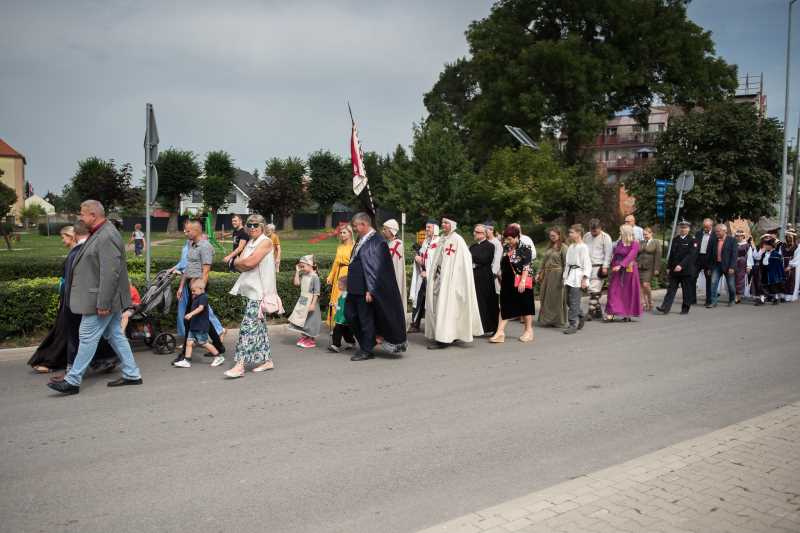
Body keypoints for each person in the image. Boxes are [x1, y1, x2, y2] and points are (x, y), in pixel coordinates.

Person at [48, 200, 142, 395]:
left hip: (101, 300)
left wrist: (104, 303)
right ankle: (132, 374)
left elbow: (110, 272)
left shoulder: (106, 235)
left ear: (93, 215)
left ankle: (72, 380)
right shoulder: (100, 232)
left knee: (87, 336)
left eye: (82, 214)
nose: (80, 217)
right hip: (102, 298)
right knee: (115, 334)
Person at [29, 223, 116, 375]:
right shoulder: (76, 252)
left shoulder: (80, 252)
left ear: (72, 236)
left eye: (63, 237)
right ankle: (98, 360)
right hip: (71, 298)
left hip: (77, 299)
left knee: (72, 332)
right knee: (72, 332)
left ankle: (67, 366)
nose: (62, 240)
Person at [345, 212, 407, 361]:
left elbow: (378, 270)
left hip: (365, 289)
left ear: (364, 224)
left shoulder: (377, 241)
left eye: (355, 226)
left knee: (365, 319)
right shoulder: (362, 239)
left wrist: (370, 289)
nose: (354, 229)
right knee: (350, 315)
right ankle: (369, 342)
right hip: (354, 287)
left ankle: (366, 350)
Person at [222, 214, 278, 378]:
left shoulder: (265, 241)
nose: (252, 228)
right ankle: (267, 361)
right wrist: (241, 262)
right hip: (251, 291)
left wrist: (239, 262)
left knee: (247, 328)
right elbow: (243, 264)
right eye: (249, 225)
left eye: (255, 225)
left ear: (262, 226)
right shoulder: (251, 242)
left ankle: (239, 365)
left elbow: (248, 263)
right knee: (259, 329)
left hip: (260, 294)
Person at [425, 216, 484, 349]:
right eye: (442, 223)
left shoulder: (458, 240)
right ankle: (446, 335)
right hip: (441, 280)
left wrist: (455, 277)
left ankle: (443, 339)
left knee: (447, 309)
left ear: (452, 224)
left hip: (452, 282)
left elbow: (465, 261)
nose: (443, 225)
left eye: (446, 223)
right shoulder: (442, 239)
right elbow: (438, 259)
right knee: (441, 308)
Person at [174, 220, 225, 362]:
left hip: (198, 287)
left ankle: (185, 354)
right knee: (204, 319)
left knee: (188, 319)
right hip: (190, 285)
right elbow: (187, 268)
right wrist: (181, 286)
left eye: (188, 230)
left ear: (196, 231)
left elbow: (206, 270)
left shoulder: (205, 246)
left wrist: (200, 290)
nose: (186, 233)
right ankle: (219, 347)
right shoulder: (191, 244)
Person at [489, 225, 534, 343]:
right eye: (506, 239)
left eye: (510, 239)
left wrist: (523, 282)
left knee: (525, 306)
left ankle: (528, 331)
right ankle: (500, 332)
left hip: (521, 280)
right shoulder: (505, 248)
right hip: (507, 281)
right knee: (505, 306)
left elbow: (526, 266)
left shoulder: (525, 248)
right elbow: (502, 264)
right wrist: (499, 276)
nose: (508, 241)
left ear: (517, 237)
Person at [173, 280, 224, 368]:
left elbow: (201, 308)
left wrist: (191, 314)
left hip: (201, 326)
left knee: (203, 343)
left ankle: (218, 356)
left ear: (201, 289)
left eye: (194, 291)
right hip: (194, 325)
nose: (192, 293)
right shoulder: (196, 297)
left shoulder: (203, 297)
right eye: (191, 291)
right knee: (189, 342)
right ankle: (187, 360)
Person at [656, 220, 698, 315]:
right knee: (671, 289)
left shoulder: (693, 240)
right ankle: (665, 307)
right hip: (674, 270)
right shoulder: (676, 239)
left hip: (686, 270)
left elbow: (691, 256)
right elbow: (672, 254)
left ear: (689, 229)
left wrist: (681, 265)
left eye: (685, 228)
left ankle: (685, 308)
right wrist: (668, 266)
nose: (683, 229)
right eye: (681, 227)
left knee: (686, 290)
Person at [604, 225, 641, 322]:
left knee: (627, 292)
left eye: (621, 231)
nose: (619, 233)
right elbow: (615, 255)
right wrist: (611, 266)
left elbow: (630, 256)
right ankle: (611, 312)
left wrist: (621, 265)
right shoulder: (620, 242)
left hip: (629, 271)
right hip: (617, 270)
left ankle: (627, 313)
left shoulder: (635, 243)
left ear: (626, 232)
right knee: (613, 290)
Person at [408, 221, 439, 333]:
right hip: (423, 276)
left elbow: (438, 263)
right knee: (418, 299)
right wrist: (417, 258)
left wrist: (429, 273)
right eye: (426, 227)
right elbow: (422, 256)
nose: (427, 229)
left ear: (435, 228)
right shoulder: (426, 242)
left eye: (429, 227)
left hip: (433, 278)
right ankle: (415, 323)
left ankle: (433, 326)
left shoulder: (439, 243)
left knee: (432, 301)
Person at [470, 224, 499, 336]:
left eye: (477, 232)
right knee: (476, 303)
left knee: (487, 303)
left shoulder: (490, 246)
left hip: (485, 277)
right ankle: (478, 327)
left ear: (484, 234)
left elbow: (484, 259)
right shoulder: (472, 246)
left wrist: (472, 257)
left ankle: (492, 327)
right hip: (474, 276)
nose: (474, 233)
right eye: (474, 231)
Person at [562, 224, 592, 334]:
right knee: (568, 301)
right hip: (570, 276)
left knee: (574, 301)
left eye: (572, 232)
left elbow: (587, 264)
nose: (570, 234)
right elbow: (567, 264)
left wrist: (584, 279)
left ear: (578, 233)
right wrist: (565, 277)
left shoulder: (583, 247)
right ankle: (582, 315)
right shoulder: (571, 246)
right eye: (570, 232)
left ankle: (572, 324)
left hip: (578, 276)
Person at [288, 255, 322, 348]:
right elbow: (296, 283)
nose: (302, 268)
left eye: (303, 266)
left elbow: (316, 293)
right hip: (303, 299)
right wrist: (297, 272)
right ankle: (305, 337)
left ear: (310, 265)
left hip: (311, 301)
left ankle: (311, 340)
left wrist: (313, 304)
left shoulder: (315, 277)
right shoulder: (304, 275)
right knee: (302, 319)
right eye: (301, 267)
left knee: (310, 320)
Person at [537, 227, 567, 328]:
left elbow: (566, 264)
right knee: (545, 297)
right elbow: (543, 262)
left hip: (557, 275)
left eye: (553, 235)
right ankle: (546, 320)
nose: (552, 237)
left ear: (559, 235)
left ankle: (558, 321)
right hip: (547, 275)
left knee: (556, 298)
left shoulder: (563, 247)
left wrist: (564, 277)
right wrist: (539, 272)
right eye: (550, 236)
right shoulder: (549, 247)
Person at [583, 219, 613, 320]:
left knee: (594, 289)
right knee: (589, 289)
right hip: (588, 266)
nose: (593, 232)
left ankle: (591, 312)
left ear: (600, 228)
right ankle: (598, 311)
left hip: (599, 266)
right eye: (592, 230)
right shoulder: (586, 236)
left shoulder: (606, 237)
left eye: (595, 230)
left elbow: (608, 253)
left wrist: (605, 266)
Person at [326, 223, 354, 329]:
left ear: (350, 233)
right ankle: (335, 322)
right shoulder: (340, 247)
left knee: (344, 299)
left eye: (344, 232)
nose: (342, 235)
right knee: (336, 297)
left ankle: (344, 323)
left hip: (348, 274)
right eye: (341, 233)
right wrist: (330, 276)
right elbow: (335, 263)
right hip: (339, 273)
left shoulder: (354, 246)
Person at [707, 223, 737, 308]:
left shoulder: (732, 240)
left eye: (718, 231)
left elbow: (734, 255)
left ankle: (732, 299)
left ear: (724, 231)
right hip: (716, 265)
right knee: (713, 283)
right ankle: (713, 302)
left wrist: (732, 267)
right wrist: (709, 268)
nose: (716, 233)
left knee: (731, 285)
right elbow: (710, 255)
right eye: (715, 231)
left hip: (728, 266)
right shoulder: (713, 240)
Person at [382, 219, 407, 316]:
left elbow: (395, 266)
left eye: (385, 229)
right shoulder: (387, 243)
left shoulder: (397, 244)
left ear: (391, 231)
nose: (383, 231)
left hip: (394, 279)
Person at [327, 276, 356, 353]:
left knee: (342, 331)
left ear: (346, 286)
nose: (338, 286)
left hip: (345, 317)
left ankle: (340, 344)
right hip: (340, 317)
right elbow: (339, 305)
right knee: (342, 331)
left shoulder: (349, 296)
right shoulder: (341, 295)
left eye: (340, 285)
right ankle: (342, 343)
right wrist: (334, 305)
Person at [753, 235, 785, 306]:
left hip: (772, 273)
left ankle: (776, 298)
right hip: (764, 271)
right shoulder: (763, 253)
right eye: (765, 245)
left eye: (767, 245)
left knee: (773, 286)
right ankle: (762, 299)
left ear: (771, 246)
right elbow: (758, 258)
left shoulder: (776, 254)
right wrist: (762, 251)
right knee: (762, 285)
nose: (765, 246)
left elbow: (778, 266)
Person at [637, 227, 662, 312]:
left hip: (649, 267)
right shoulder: (641, 242)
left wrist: (657, 268)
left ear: (651, 234)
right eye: (644, 234)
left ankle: (650, 301)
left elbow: (658, 256)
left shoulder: (656, 242)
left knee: (645, 285)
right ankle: (643, 303)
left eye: (646, 234)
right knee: (640, 286)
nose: (645, 236)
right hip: (639, 266)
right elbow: (636, 253)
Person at [693, 218, 716, 306]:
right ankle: (692, 299)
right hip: (698, 259)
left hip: (708, 260)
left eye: (707, 227)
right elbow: (695, 246)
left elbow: (714, 252)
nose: (705, 229)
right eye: (704, 227)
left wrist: (711, 266)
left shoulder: (715, 235)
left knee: (709, 280)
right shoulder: (698, 233)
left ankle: (708, 300)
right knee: (692, 278)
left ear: (711, 226)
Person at [734, 230, 753, 304]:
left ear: (743, 236)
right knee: (732, 279)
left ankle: (738, 296)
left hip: (742, 264)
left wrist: (749, 266)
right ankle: (733, 295)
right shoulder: (734, 244)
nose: (738, 237)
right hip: (733, 263)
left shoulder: (747, 245)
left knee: (740, 280)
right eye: (737, 236)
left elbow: (750, 256)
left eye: (740, 236)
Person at [485, 222, 503, 295]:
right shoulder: (485, 241)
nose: (485, 232)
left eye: (486, 230)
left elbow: (497, 258)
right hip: (484, 270)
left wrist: (494, 272)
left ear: (492, 230)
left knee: (496, 291)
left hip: (493, 271)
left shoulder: (496, 243)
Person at [783, 231, 799, 302]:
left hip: (793, 265)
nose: (788, 238)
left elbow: (797, 258)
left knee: (792, 279)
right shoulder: (783, 246)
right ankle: (783, 295)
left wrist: (790, 266)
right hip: (784, 263)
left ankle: (790, 296)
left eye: (790, 237)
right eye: (787, 237)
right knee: (784, 279)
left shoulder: (797, 247)